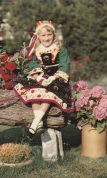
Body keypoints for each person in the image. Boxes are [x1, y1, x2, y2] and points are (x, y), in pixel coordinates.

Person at [13, 20, 74, 161]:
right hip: (41, 77)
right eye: (43, 35)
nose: (46, 38)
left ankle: (34, 124)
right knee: (33, 92)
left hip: (56, 79)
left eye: (49, 35)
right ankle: (38, 122)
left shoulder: (60, 49)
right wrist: (38, 77)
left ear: (53, 35)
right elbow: (33, 64)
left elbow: (64, 65)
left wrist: (54, 78)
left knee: (48, 93)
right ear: (38, 37)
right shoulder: (36, 50)